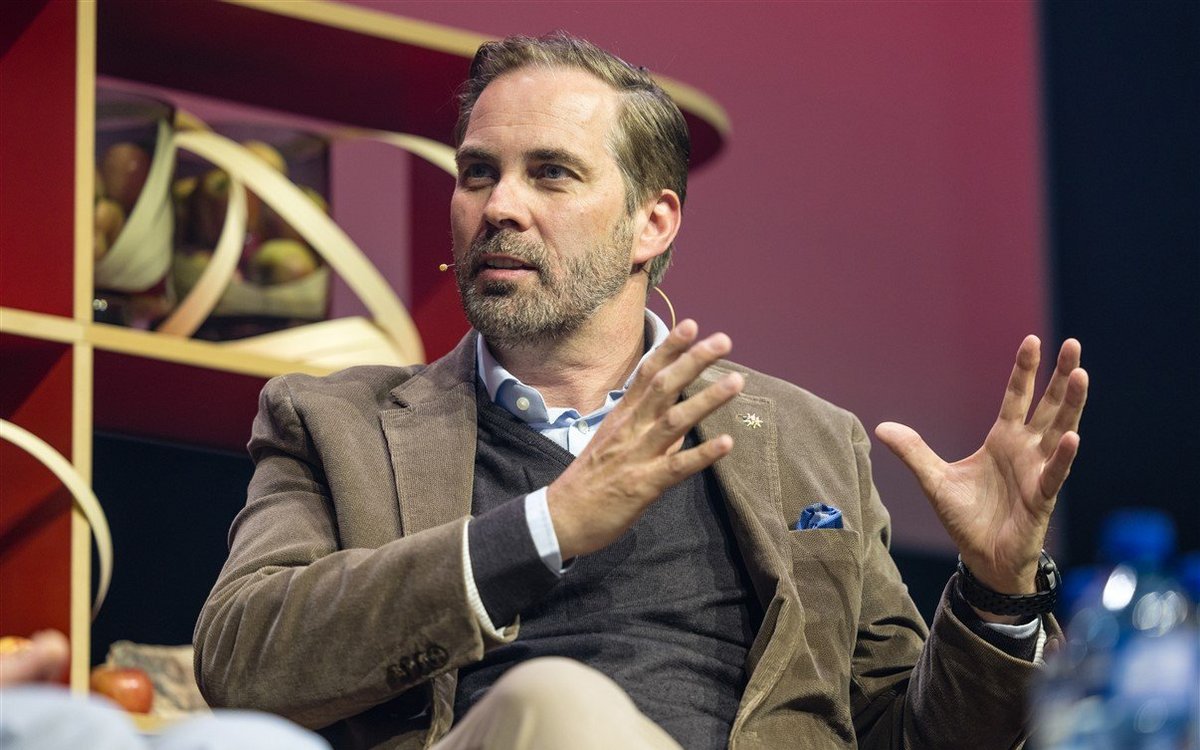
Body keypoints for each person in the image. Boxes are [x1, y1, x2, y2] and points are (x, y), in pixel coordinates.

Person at [194, 33, 1089, 750]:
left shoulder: (812, 443)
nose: (498, 206)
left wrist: (996, 597)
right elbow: (241, 660)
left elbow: (907, 734)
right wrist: (544, 527)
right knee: (555, 703)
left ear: (651, 223)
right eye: (477, 173)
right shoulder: (337, 425)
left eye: (550, 173)